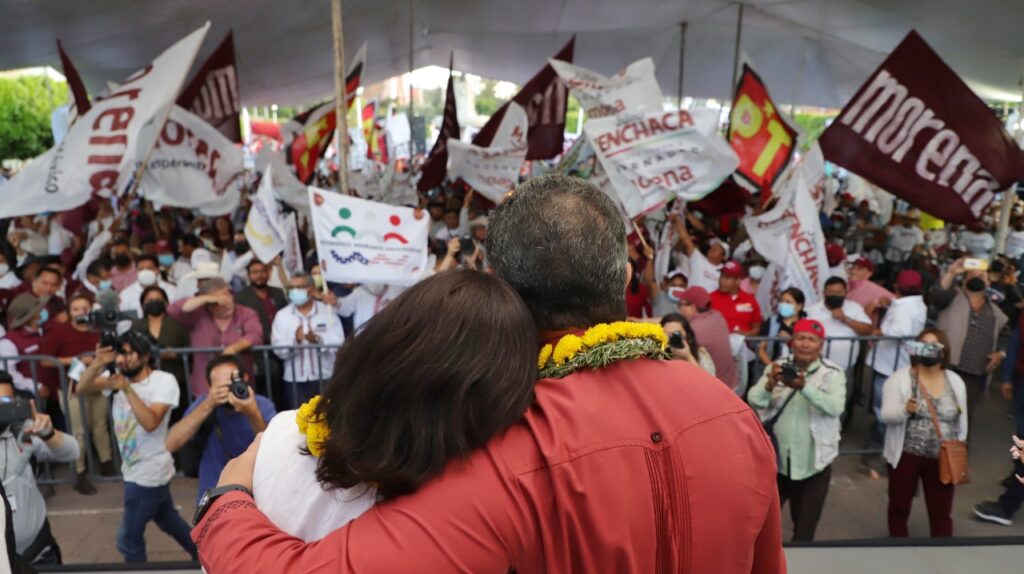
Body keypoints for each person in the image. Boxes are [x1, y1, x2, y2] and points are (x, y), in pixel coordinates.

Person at [192, 174, 785, 572]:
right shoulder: (734, 415)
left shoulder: (505, 446)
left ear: (496, 284)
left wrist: (225, 504)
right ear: (626, 280)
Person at [76, 331, 197, 563]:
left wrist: (127, 389)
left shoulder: (163, 381)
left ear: (144, 355)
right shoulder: (118, 380)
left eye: (128, 353)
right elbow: (81, 388)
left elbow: (151, 422)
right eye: (119, 354)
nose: (122, 360)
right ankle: (207, 557)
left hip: (149, 473)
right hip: (136, 471)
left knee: (128, 541)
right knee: (169, 521)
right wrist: (99, 363)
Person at [749, 319, 846, 542]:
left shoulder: (833, 373)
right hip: (777, 464)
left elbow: (835, 407)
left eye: (812, 340)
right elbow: (754, 400)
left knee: (804, 531)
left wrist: (804, 387)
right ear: (792, 342)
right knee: (760, 527)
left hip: (814, 465)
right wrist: (770, 384)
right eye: (801, 338)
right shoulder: (778, 366)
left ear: (821, 345)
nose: (805, 344)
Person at [880, 328, 967, 538]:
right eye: (924, 345)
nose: (929, 351)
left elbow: (961, 419)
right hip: (906, 455)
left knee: (941, 512)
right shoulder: (898, 379)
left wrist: (958, 445)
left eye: (934, 346)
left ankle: (942, 555)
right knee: (899, 507)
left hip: (942, 457)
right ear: (916, 350)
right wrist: (904, 410)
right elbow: (886, 415)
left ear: (943, 351)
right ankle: (898, 549)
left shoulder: (955, 380)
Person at [166, 355, 275, 502]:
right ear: (210, 387)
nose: (228, 392)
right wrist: (209, 404)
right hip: (214, 495)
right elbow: (171, 443)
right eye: (221, 388)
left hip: (254, 495)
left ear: (246, 378)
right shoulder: (203, 404)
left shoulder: (262, 405)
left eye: (232, 385)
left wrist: (252, 413)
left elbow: (272, 449)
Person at [0, 371, 79, 564]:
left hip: (38, 554)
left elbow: (72, 452)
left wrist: (48, 433)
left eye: (7, 400)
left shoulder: (20, 430)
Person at [39, 294, 114, 495]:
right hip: (71, 388)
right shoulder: (59, 332)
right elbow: (46, 360)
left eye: (84, 308)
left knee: (100, 426)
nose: (81, 312)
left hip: (97, 384)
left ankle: (107, 463)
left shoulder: (98, 330)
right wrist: (78, 360)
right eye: (76, 309)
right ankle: (79, 473)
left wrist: (99, 360)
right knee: (78, 431)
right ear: (69, 312)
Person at [930, 257, 1009, 417]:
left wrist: (1001, 353)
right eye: (972, 275)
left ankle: (959, 442)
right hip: (947, 367)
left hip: (975, 374)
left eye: (981, 276)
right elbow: (938, 295)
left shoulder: (995, 312)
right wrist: (952, 272)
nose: (976, 278)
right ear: (965, 281)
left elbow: (1006, 335)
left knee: (963, 416)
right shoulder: (951, 298)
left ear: (988, 284)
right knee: (937, 412)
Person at [168, 279, 263, 399]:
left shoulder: (246, 313)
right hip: (204, 386)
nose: (228, 303)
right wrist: (207, 298)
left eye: (229, 296)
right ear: (210, 306)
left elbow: (255, 335)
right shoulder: (198, 315)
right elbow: (173, 310)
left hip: (239, 385)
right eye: (220, 302)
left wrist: (233, 348)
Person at [868, 270, 928, 447]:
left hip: (889, 364)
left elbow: (900, 330)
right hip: (896, 361)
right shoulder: (915, 304)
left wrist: (879, 331)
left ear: (896, 286)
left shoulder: (905, 308)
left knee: (883, 407)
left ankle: (880, 447)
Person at [270, 272, 345, 408]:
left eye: (299, 287)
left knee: (327, 418)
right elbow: (277, 348)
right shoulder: (282, 316)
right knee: (298, 422)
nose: (294, 291)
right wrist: (296, 341)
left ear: (311, 289)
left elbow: (339, 341)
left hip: (324, 376)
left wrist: (317, 339)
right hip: (295, 379)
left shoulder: (327, 311)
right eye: (291, 288)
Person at [131, 286, 191, 422]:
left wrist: (173, 354)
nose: (154, 302)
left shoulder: (177, 326)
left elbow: (189, 352)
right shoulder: (136, 325)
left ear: (165, 302)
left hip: (174, 377)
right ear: (143, 303)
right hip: (144, 381)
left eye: (158, 299)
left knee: (176, 420)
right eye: (150, 299)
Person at [805, 277, 873, 373]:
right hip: (817, 366)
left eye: (839, 292)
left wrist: (845, 319)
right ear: (824, 293)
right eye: (831, 292)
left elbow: (868, 329)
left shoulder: (854, 307)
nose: (835, 295)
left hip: (846, 367)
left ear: (846, 292)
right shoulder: (811, 310)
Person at [677, 286, 738, 389]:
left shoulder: (694, 329)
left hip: (715, 390)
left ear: (692, 307)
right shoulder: (717, 316)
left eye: (680, 305)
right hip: (730, 385)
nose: (678, 309)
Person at [0, 294, 50, 396]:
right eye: (39, 310)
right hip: (33, 395)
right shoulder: (9, 341)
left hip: (57, 390)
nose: (43, 311)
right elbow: (9, 372)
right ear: (32, 316)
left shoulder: (49, 329)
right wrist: (35, 386)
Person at [670, 211, 726, 293]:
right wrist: (676, 221)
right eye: (712, 247)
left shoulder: (725, 272)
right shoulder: (698, 258)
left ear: (723, 257)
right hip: (690, 303)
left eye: (716, 249)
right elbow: (686, 239)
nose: (712, 249)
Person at [234, 260, 287, 342]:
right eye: (255, 272)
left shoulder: (278, 293)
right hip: (257, 344)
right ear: (249, 276)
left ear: (268, 274)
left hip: (281, 341)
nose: (260, 275)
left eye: (263, 271)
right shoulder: (241, 297)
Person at [710, 260, 763, 336]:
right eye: (721, 276)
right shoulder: (710, 298)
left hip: (743, 345)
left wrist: (746, 334)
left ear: (738, 281)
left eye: (727, 278)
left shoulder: (750, 300)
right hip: (717, 344)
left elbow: (756, 328)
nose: (722, 280)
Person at [758, 287, 806, 365]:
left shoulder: (806, 324)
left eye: (788, 302)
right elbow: (761, 348)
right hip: (771, 367)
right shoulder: (771, 322)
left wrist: (790, 341)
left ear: (799, 306)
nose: (783, 304)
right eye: (781, 301)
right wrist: (772, 366)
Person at [845, 257, 893, 324]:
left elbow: (895, 300)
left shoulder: (874, 289)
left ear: (869, 274)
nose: (853, 271)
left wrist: (877, 302)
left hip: (862, 328)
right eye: (853, 268)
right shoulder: (843, 284)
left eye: (859, 269)